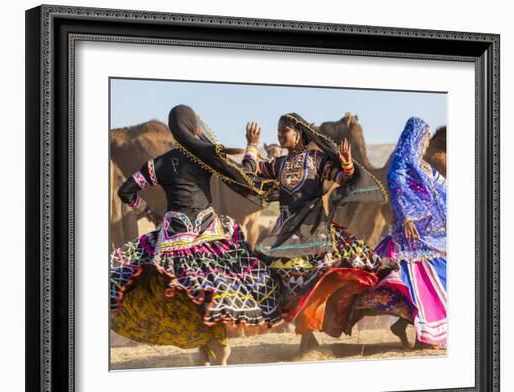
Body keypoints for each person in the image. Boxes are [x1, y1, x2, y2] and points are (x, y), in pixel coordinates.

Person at [110, 105, 285, 365]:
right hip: (209, 235)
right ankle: (215, 348)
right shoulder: (207, 158)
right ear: (194, 128)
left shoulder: (159, 164)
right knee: (216, 288)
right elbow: (246, 177)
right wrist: (252, 145)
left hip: (171, 240)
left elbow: (126, 191)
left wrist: (150, 212)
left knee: (180, 291)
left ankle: (206, 347)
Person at [241, 113, 397, 351]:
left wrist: (346, 163)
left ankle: (309, 335)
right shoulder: (279, 165)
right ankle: (306, 335)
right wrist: (251, 145)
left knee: (321, 277)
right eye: (278, 131)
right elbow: (250, 172)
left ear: (297, 134)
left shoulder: (316, 160)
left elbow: (344, 178)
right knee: (285, 283)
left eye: (284, 131)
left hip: (315, 231)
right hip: (285, 235)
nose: (279, 135)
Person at [362, 117, 447, 349]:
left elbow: (442, 188)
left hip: (431, 234)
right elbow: (396, 186)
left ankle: (405, 325)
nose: (427, 143)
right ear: (417, 137)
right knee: (420, 284)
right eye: (425, 138)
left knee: (437, 279)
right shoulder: (401, 161)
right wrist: (407, 216)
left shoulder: (423, 165)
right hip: (410, 236)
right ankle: (424, 337)